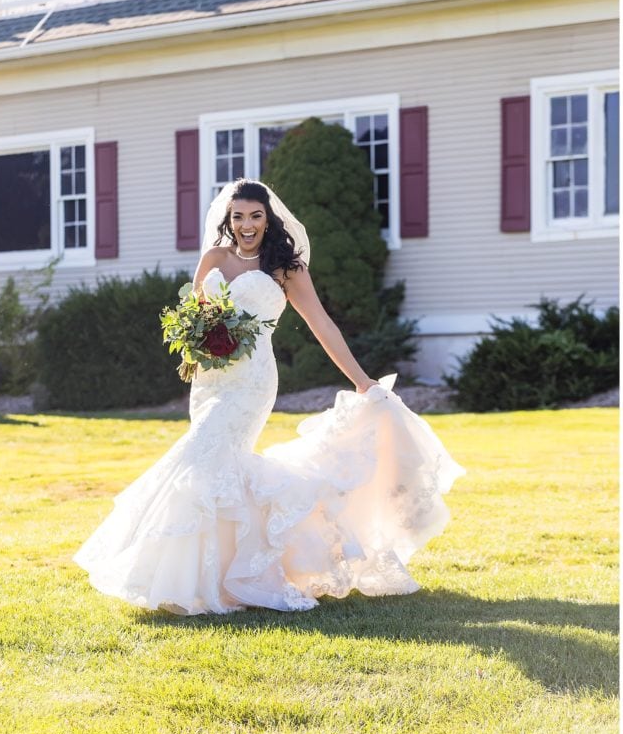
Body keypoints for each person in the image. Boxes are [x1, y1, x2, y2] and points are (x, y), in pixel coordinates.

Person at [75, 179, 464, 614]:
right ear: (228, 219)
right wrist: (199, 347)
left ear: (268, 218)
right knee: (217, 469)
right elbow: (197, 319)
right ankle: (213, 578)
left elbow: (322, 324)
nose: (246, 225)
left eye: (255, 216)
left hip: (253, 381)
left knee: (202, 457)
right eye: (238, 216)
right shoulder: (214, 259)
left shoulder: (286, 268)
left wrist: (361, 380)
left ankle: (214, 581)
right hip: (212, 380)